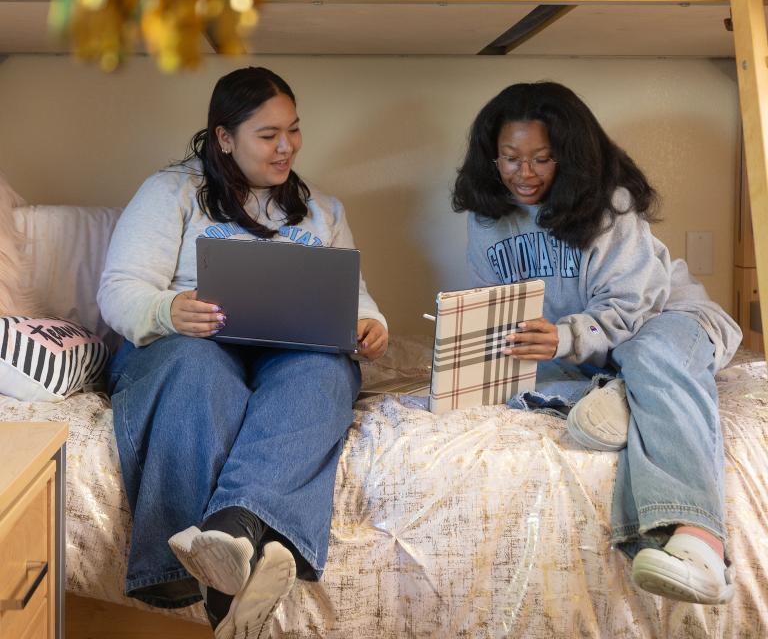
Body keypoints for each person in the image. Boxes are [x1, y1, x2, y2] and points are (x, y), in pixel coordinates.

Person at [97, 66, 388, 638]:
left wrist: (369, 323)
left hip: (287, 353)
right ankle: (204, 578)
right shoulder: (171, 192)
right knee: (199, 368)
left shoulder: (322, 210)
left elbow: (353, 295)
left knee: (326, 369)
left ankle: (236, 526)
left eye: (294, 131)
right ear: (224, 137)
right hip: (190, 347)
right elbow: (119, 289)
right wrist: (167, 311)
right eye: (268, 134)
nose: (287, 147)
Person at [451, 81, 741, 605]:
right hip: (582, 357)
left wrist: (563, 335)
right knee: (512, 384)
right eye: (510, 159)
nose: (524, 173)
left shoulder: (611, 204)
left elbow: (633, 309)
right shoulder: (487, 218)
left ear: (570, 157)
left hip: (667, 322)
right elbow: (495, 306)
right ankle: (622, 397)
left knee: (648, 356)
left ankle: (700, 545)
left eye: (542, 158)